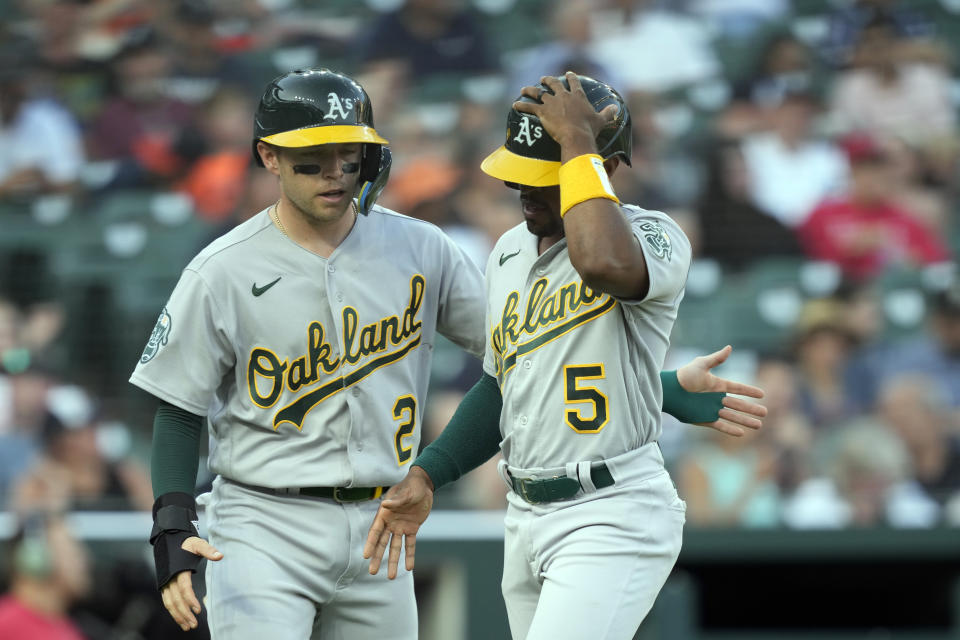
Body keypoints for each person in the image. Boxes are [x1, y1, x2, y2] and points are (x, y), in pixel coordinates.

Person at [135, 68, 765, 639]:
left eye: (347, 158)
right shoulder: (222, 268)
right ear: (269, 158)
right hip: (265, 512)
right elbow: (178, 405)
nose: (334, 173)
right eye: (312, 160)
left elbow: (551, 329)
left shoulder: (425, 248)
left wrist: (656, 387)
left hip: (390, 524)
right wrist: (172, 522)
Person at [364, 73, 765, 640]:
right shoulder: (507, 251)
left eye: (543, 176)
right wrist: (430, 472)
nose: (524, 190)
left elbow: (605, 265)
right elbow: (504, 384)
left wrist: (578, 141)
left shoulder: (653, 234)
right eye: (520, 174)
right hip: (524, 511)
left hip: (612, 509)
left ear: (605, 164)